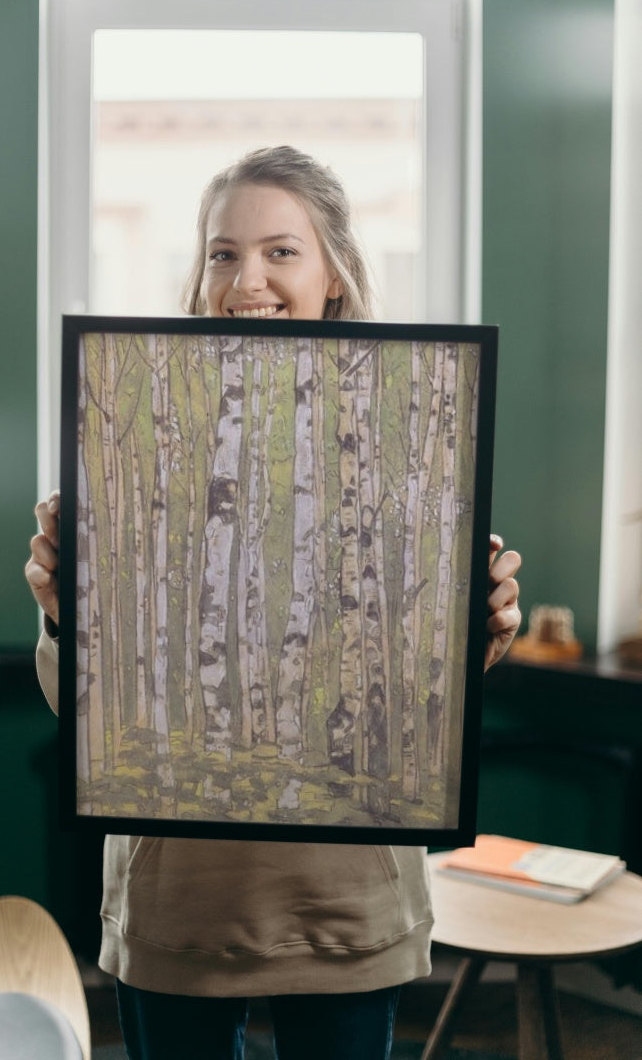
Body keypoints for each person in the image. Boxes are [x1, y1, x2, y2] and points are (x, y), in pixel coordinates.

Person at [26, 146, 522, 1060]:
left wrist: (474, 632)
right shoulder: (134, 442)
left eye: (280, 251)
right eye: (222, 252)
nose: (245, 278)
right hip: (178, 903)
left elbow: (411, 699)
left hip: (345, 900)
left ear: (333, 273)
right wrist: (67, 616)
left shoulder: (412, 438)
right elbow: (87, 712)